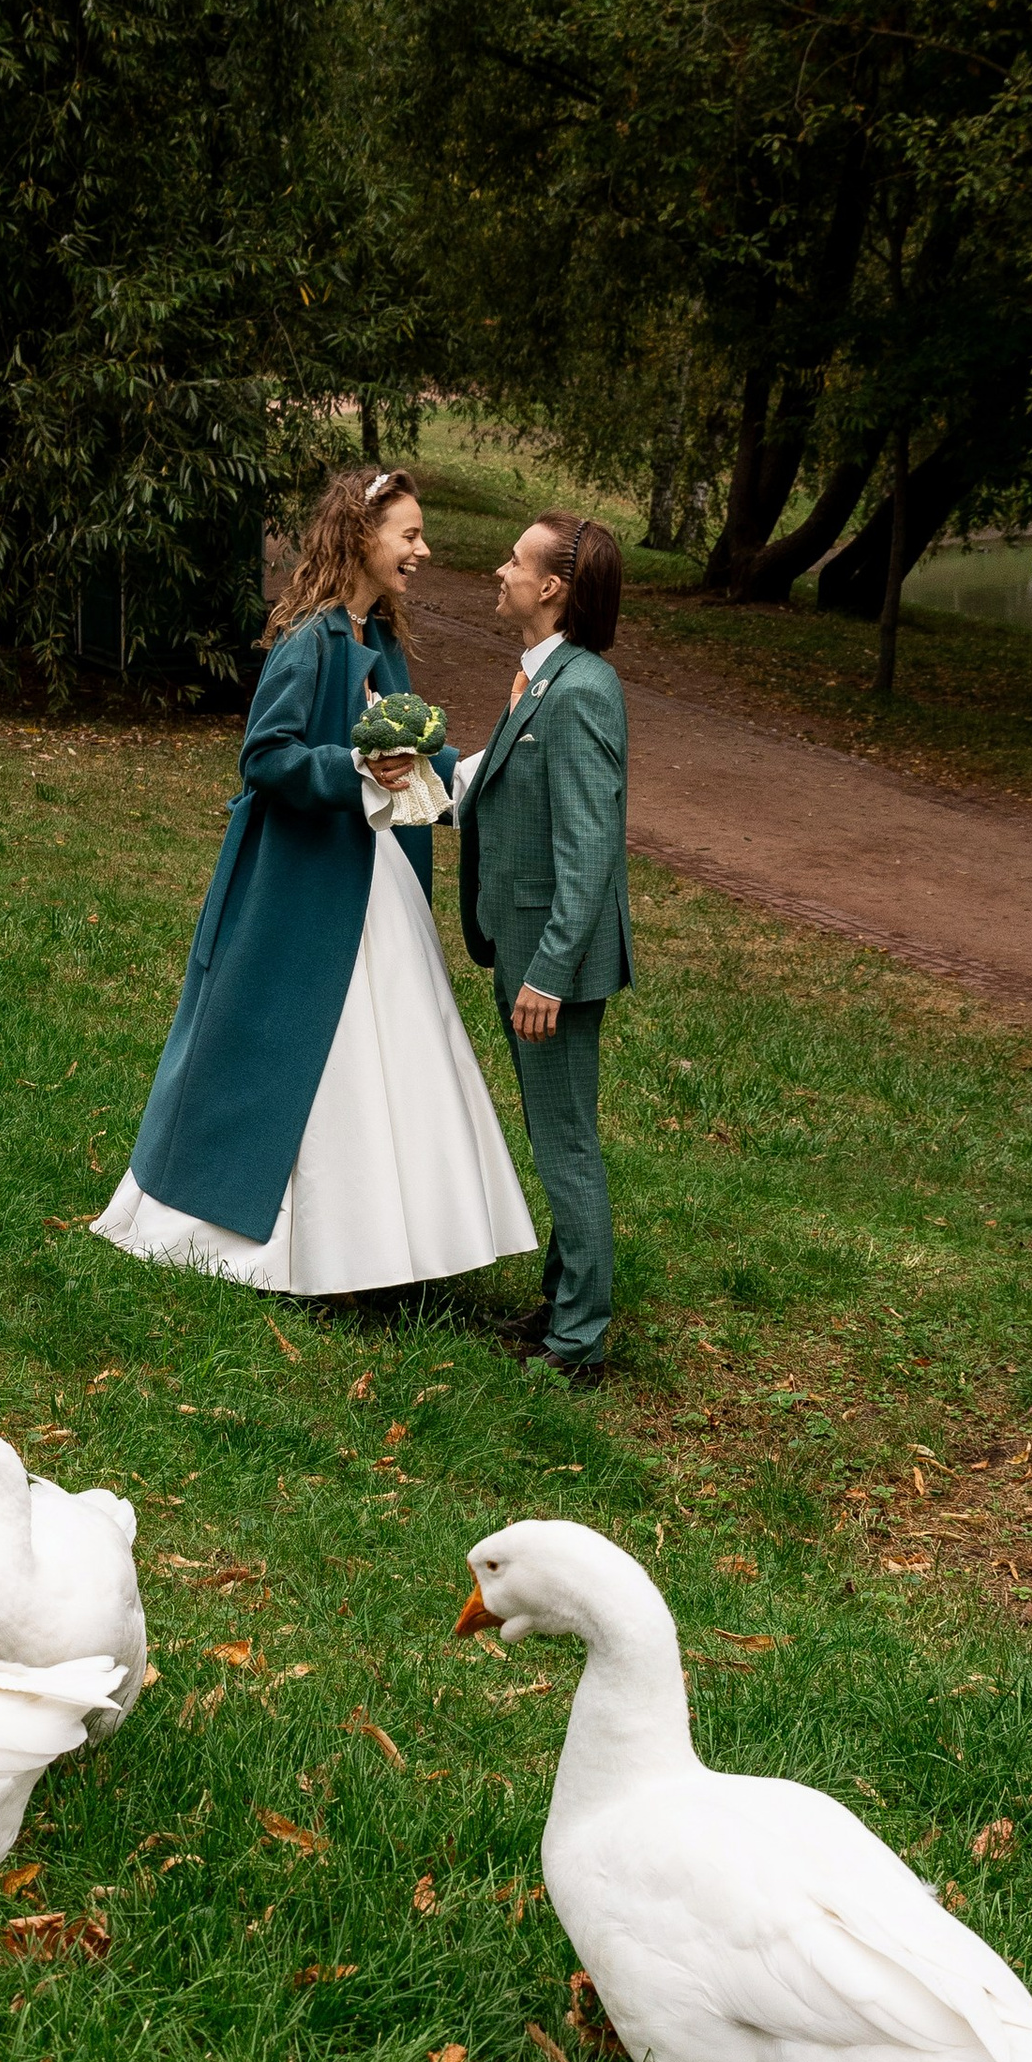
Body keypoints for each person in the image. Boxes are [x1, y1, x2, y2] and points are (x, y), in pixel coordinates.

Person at [93, 466, 538, 1298]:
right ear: (360, 539)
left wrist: (489, 764)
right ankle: (260, 1238)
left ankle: (384, 1248)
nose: (422, 549)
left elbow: (413, 755)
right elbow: (265, 756)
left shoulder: (382, 645)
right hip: (300, 885)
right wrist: (356, 769)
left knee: (389, 1051)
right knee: (300, 1047)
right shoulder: (310, 639)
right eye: (408, 534)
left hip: (372, 881)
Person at [453, 510, 633, 1384]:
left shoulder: (584, 688)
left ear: (553, 586)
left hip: (548, 964)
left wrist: (549, 974)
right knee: (556, 1133)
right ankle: (563, 1304)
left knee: (565, 1145)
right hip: (523, 946)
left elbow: (590, 849)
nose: (501, 570)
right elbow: (506, 792)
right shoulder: (537, 678)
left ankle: (579, 1345)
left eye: (515, 562)